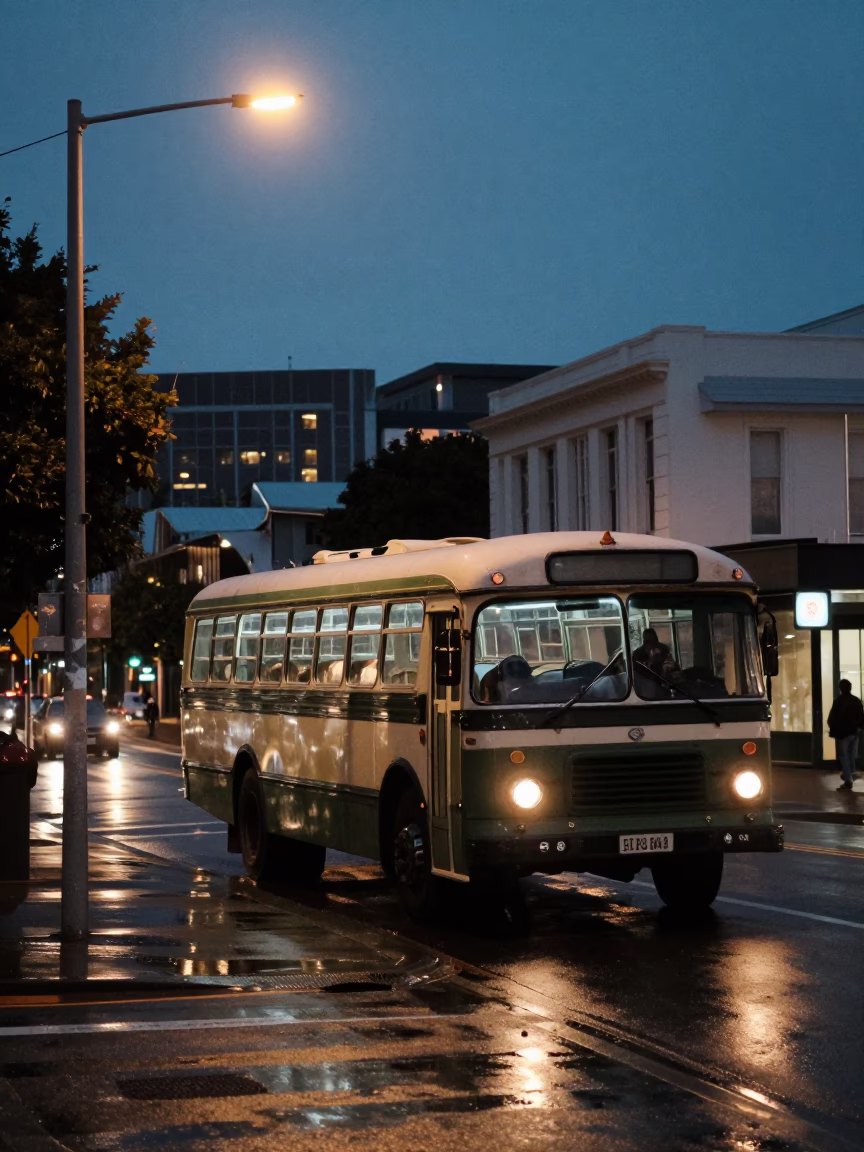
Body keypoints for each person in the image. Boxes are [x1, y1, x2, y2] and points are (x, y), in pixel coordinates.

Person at [827, 679, 864, 790]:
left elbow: (832, 718)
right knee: (852, 755)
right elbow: (861, 717)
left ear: (840, 689)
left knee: (844, 756)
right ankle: (850, 773)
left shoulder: (838, 701)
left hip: (842, 733)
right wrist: (859, 727)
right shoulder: (856, 701)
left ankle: (848, 779)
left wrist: (832, 728)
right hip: (854, 732)